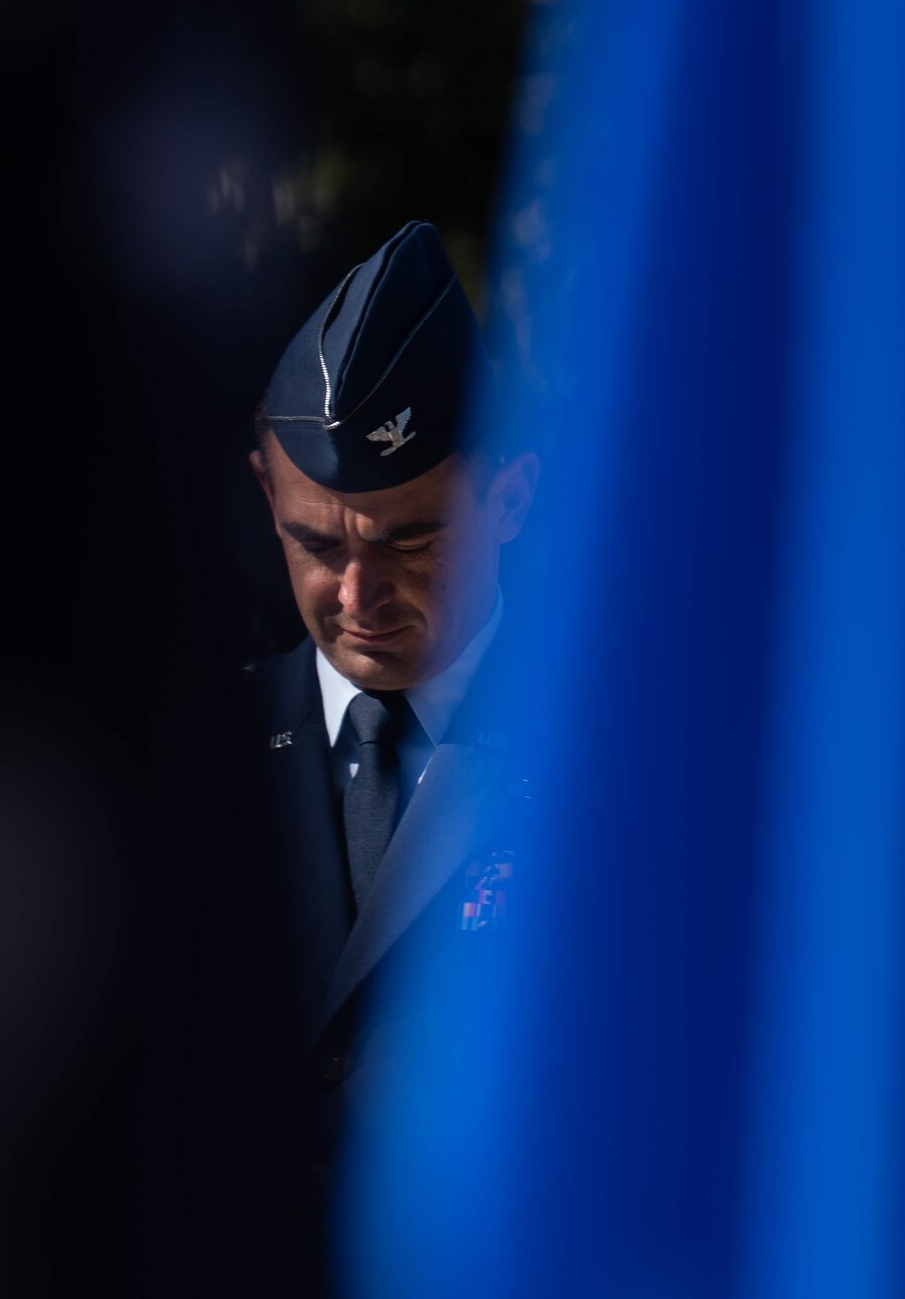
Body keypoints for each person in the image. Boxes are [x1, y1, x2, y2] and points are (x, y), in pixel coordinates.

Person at [236, 219, 540, 1241]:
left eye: (410, 538)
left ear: (509, 492)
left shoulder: (602, 756)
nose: (356, 593)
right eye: (313, 543)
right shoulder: (199, 756)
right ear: (261, 492)